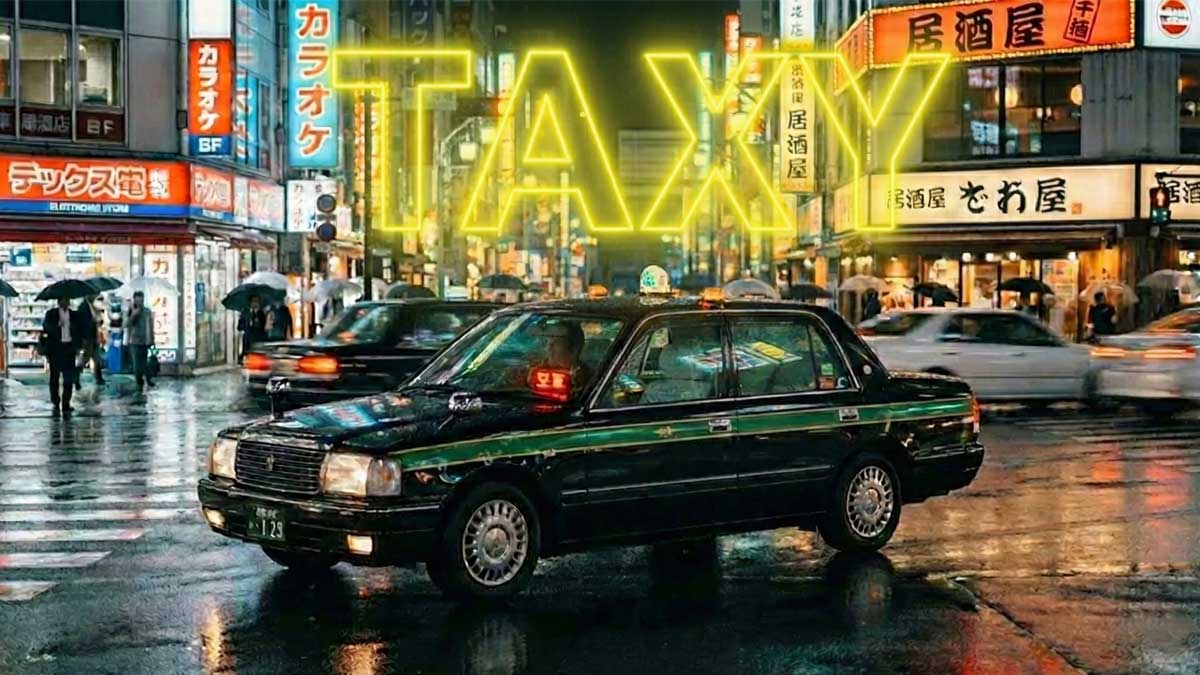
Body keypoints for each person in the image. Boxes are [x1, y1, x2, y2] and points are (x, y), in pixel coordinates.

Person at [42, 297, 84, 416]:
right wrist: (57, 325)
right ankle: (55, 401)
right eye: (64, 300)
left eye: (68, 300)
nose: (66, 303)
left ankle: (66, 402)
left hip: (69, 349)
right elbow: (46, 327)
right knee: (54, 377)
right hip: (55, 349)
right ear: (59, 302)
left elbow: (78, 331)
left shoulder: (74, 315)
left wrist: (78, 347)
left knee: (68, 377)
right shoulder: (51, 314)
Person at [125, 291, 156, 391]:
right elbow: (126, 324)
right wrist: (134, 315)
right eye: (137, 300)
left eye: (141, 300)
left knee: (144, 362)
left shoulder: (147, 311)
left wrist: (152, 339)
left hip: (145, 341)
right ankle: (139, 381)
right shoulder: (131, 311)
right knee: (136, 364)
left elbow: (150, 326)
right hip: (134, 341)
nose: (139, 302)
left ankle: (148, 378)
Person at [75, 296, 105, 390]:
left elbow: (97, 320)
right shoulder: (83, 307)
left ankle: (99, 378)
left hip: (93, 336)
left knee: (97, 358)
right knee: (85, 358)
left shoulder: (91, 306)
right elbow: (83, 323)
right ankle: (76, 377)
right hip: (87, 338)